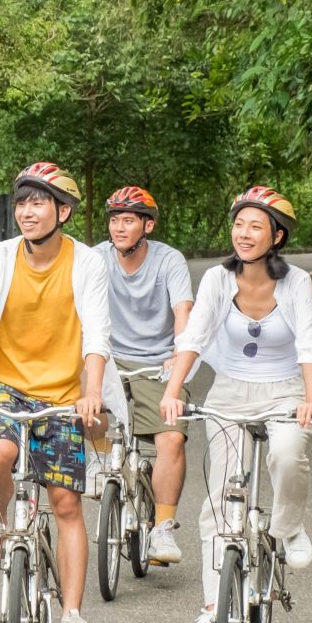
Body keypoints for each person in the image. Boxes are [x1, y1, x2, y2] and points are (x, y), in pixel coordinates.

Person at [0, 162, 123, 623]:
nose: (27, 211)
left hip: (65, 393)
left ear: (62, 211)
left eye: (38, 202)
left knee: (64, 503)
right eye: (21, 202)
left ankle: (72, 615)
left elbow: (97, 333)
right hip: (6, 388)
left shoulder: (86, 263)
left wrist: (91, 392)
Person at [160, 186, 312, 623]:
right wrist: (173, 391)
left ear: (277, 237)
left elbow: (309, 341)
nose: (243, 234)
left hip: (286, 387)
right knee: (219, 500)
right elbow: (194, 336)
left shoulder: (296, 282)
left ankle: (287, 527)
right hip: (230, 389)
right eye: (239, 224)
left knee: (286, 455)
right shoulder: (218, 280)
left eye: (255, 226)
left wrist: (311, 397)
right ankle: (211, 607)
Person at [93, 185, 194, 565]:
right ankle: (100, 460)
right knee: (81, 402)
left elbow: (183, 312)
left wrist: (179, 357)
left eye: (129, 220)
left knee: (171, 438)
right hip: (109, 358)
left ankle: (163, 527)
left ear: (147, 225)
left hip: (159, 361)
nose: (119, 228)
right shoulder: (96, 258)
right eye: (115, 220)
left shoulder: (169, 261)